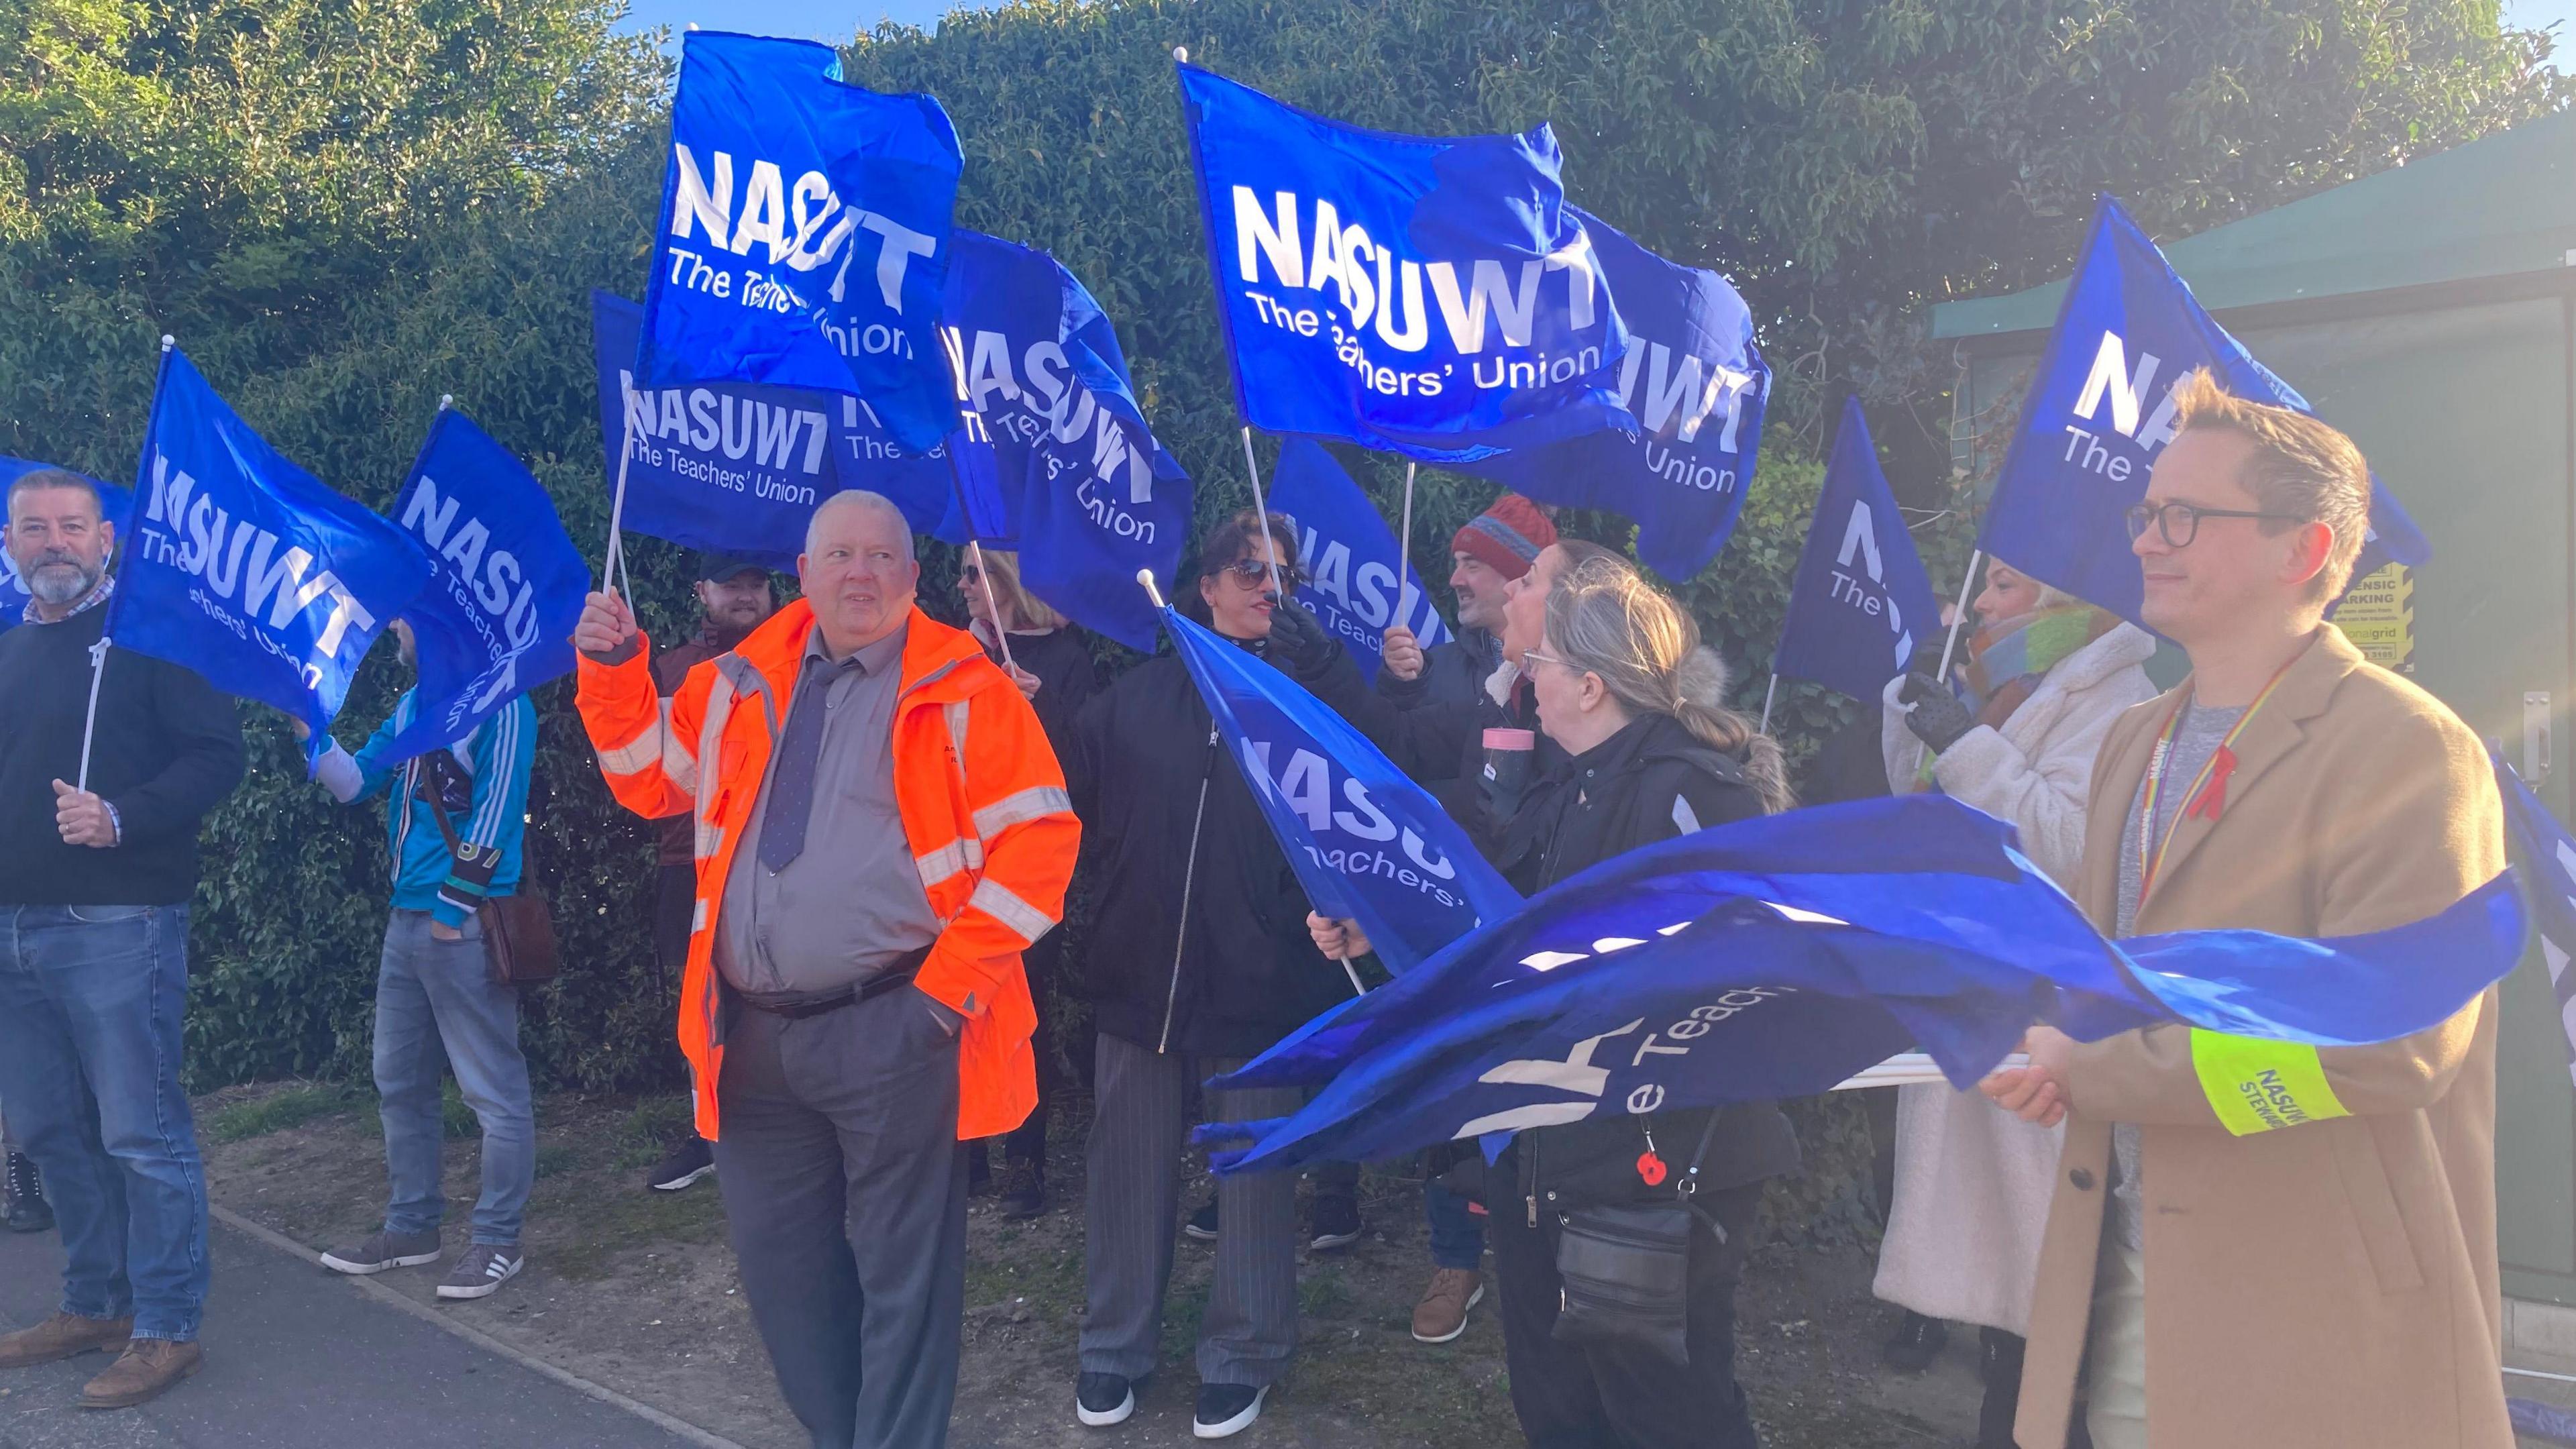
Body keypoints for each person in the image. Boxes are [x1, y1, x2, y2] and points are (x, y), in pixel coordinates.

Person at [1982, 370, 2510, 1449]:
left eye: (2185, 516)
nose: (2145, 540)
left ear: (2304, 550)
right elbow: (2107, 989)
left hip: (2316, 1324)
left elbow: (2385, 1043)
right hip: (2125, 1280)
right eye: (2145, 513)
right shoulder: (2136, 739)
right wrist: (2040, 1044)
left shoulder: (2409, 750)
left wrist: (2094, 1068)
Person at [574, 490, 1078, 1449]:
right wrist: (611, 668)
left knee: (905, 1288)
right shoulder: (738, 681)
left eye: (881, 556)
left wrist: (939, 1000)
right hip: (751, 1039)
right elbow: (646, 774)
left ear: (912, 576)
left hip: (895, 1027)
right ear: (801, 575)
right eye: (839, 554)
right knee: (786, 1285)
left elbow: (1042, 846)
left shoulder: (967, 686)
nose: (860, 572)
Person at [1315, 554, 1798, 1448]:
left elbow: (1747, 969)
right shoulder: (1565, 784)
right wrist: (1380, 936)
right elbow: (1493, 930)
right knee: (1559, 1408)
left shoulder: (1697, 791)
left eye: (1538, 669)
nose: (1523, 682)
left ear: (1589, 682)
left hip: (1659, 1165)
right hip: (1546, 1156)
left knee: (1667, 1412)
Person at [1063, 509, 1389, 1439]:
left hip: (1263, 987)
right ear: (1203, 587)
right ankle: (1112, 1347)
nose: (1266, 587)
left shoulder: (1308, 703)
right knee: (1125, 1178)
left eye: (1284, 575)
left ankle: (1244, 1353)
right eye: (1249, 569)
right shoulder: (1131, 700)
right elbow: (1053, 796)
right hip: (1138, 982)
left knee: (1252, 1188)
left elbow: (1383, 789)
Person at [1869, 559, 2155, 1444]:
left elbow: (2071, 848)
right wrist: (1910, 703)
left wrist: (1964, 741)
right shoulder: (2000, 678)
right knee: (2007, 1316)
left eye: (2005, 588)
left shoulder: (2119, 698)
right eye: (1985, 586)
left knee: (2054, 1320)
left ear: (2069, 597)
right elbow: (1915, 804)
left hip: (2049, 1028)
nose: (1982, 604)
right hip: (1976, 1004)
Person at [0, 468, 244, 1408]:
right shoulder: (10, 651)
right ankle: (94, 1304)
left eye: (72, 526)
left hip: (117, 925)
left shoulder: (151, 640)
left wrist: (122, 816)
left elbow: (218, 756)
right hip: (12, 927)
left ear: (106, 539)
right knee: (52, 1130)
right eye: (35, 528)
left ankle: (167, 1327)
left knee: (142, 1134)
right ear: (12, 544)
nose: (54, 541)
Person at [303, 619, 540, 1301]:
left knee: (493, 1090)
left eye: (407, 618)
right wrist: (306, 732)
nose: (398, 630)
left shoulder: (504, 702)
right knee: (398, 1080)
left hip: (457, 923)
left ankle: (498, 1242)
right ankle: (413, 1229)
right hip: (407, 920)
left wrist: (449, 911)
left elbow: (498, 813)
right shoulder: (413, 705)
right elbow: (355, 783)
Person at [1369, 494, 1557, 1344]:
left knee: (1532, 1093)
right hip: (1450, 924)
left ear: (1523, 574)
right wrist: (1386, 683)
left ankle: (1539, 1253)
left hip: (1529, 929)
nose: (1453, 578)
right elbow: (1401, 759)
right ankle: (1455, 1260)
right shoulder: (1445, 665)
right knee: (1450, 1085)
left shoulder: (1569, 680)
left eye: (1471, 562)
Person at [956, 547, 1099, 1220]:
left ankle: (1025, 1161)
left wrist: (1037, 715)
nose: (960, 587)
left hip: (1028, 871)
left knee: (1019, 1011)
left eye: (970, 574)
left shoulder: (1065, 662)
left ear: (1004, 581)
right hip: (955, 866)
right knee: (956, 1005)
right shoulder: (955, 656)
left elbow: (1083, 774)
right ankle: (967, 1155)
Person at [641, 553, 778, 1196]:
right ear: (702, 590)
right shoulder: (674, 668)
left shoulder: (806, 657)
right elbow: (650, 775)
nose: (746, 594)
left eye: (755, 581)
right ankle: (706, 1132)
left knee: (773, 997)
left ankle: (769, 1133)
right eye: (732, 583)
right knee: (699, 1003)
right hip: (687, 861)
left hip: (775, 863)